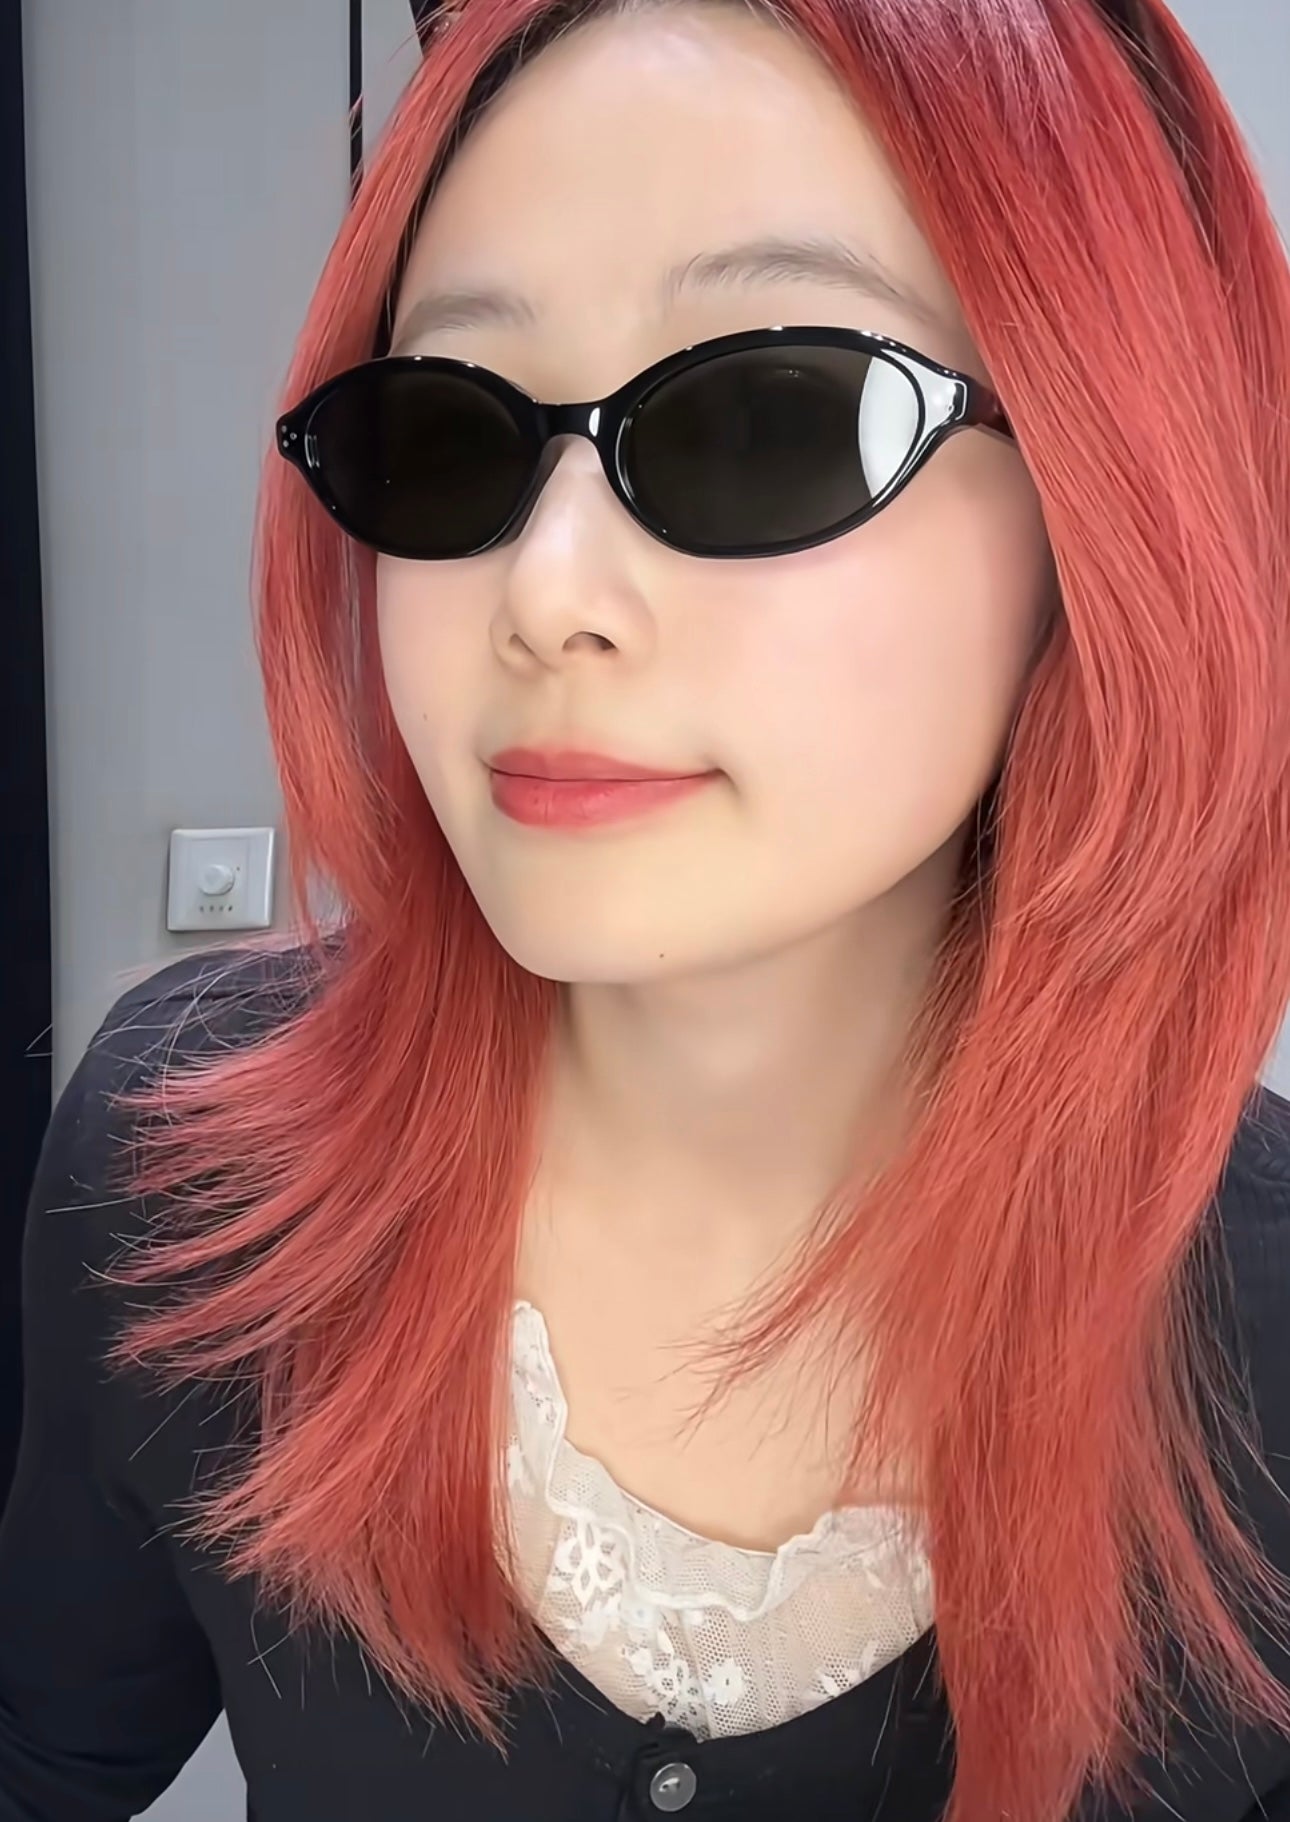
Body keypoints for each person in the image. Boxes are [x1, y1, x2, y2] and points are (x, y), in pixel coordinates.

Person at [4, 0, 1290, 1817]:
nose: (543, 593)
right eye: (448, 432)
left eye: (766, 418)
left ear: (1112, 501)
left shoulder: (1260, 1321)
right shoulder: (182, 1164)